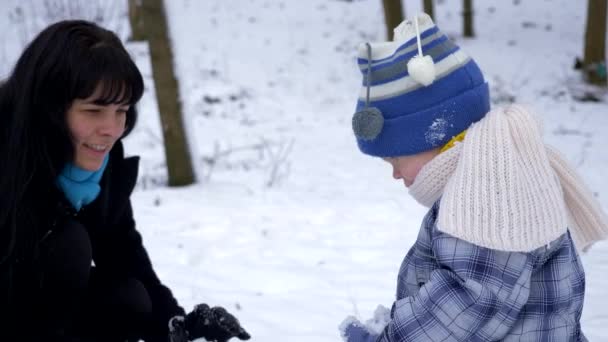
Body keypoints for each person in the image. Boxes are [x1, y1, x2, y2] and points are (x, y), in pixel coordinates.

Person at [340, 13, 608, 341]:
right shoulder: (497, 171)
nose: (395, 174)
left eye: (395, 158)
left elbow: (470, 300)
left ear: (434, 135)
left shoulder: (490, 186)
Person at [0, 20, 250, 342]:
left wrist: (178, 327)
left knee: (128, 298)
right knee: (66, 246)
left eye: (121, 110)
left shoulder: (99, 163)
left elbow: (124, 255)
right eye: (94, 110)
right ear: (49, 107)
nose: (112, 129)